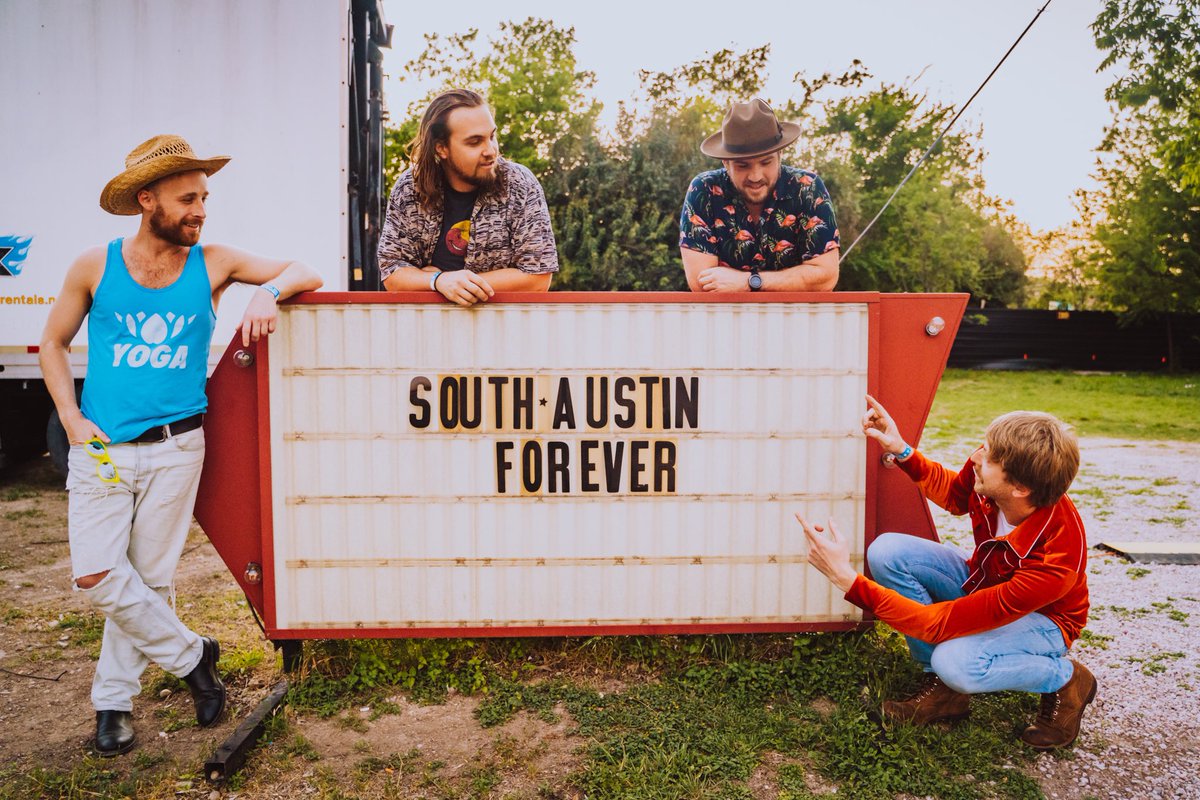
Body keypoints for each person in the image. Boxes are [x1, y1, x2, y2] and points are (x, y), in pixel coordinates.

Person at [39, 134, 323, 757]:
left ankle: (112, 703)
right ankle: (195, 655)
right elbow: (53, 343)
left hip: (178, 446)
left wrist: (267, 294)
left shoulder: (214, 261)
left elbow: (305, 269)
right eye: (187, 198)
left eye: (204, 197)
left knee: (147, 577)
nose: (200, 210)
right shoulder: (95, 265)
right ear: (148, 200)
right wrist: (71, 416)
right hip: (104, 448)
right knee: (98, 573)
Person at [797, 395, 1096, 750]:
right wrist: (902, 449)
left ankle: (1066, 679)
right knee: (888, 551)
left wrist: (846, 579)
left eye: (988, 459)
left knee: (955, 662)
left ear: (1020, 488)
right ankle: (943, 691)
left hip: (1043, 622)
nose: (974, 458)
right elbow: (956, 495)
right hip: (983, 584)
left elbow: (938, 624)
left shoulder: (1056, 557)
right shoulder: (994, 474)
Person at [377, 88, 558, 305]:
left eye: (492, 136)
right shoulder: (409, 188)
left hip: (503, 329)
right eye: (475, 142)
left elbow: (538, 278)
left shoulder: (520, 183)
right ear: (441, 148)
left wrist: (445, 283)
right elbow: (392, 274)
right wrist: (439, 281)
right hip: (430, 330)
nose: (490, 150)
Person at [679, 98, 839, 293]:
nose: (755, 176)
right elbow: (702, 283)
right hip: (724, 321)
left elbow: (826, 278)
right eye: (742, 165)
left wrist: (749, 282)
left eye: (766, 162)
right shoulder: (704, 189)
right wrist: (793, 280)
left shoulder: (808, 188)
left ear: (780, 154)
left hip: (797, 319)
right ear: (725, 162)